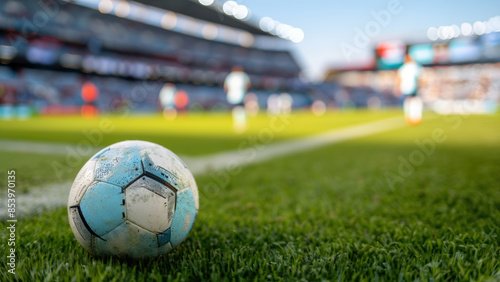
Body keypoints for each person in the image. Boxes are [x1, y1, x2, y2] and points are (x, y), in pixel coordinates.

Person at [395, 53, 423, 125]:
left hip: (405, 88)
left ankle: (411, 117)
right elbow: (420, 78)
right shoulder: (414, 67)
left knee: (408, 102)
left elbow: (398, 79)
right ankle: (415, 117)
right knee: (414, 102)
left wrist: (397, 88)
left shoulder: (403, 68)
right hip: (412, 87)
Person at [224, 66, 250, 132]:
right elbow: (248, 84)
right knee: (240, 109)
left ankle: (238, 124)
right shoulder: (243, 76)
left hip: (232, 95)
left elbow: (226, 87)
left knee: (236, 109)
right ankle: (241, 124)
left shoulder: (230, 76)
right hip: (240, 95)